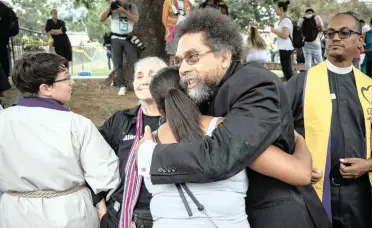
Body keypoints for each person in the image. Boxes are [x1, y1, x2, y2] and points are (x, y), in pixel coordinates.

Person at [136, 9, 330, 228]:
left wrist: (150, 156)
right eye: (179, 61)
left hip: (276, 215)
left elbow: (223, 154)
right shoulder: (206, 90)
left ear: (225, 57)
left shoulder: (254, 82)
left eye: (192, 57)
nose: (182, 69)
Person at [143, 66, 314, 227]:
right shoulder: (223, 130)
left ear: (158, 108)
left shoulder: (146, 144)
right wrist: (299, 140)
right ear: (195, 93)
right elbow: (302, 173)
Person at [0, 52, 120, 228]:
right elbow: (106, 176)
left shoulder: (3, 120)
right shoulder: (76, 124)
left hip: (14, 215)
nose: (71, 82)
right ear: (45, 88)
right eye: (66, 78)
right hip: (69, 215)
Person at [286, 12, 372, 228]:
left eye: (344, 32)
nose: (335, 37)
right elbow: (274, 127)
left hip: (358, 197)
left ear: (360, 40)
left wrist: (371, 163)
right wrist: (294, 164)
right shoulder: (301, 82)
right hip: (312, 191)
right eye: (330, 33)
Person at [98, 57, 167, 228]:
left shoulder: (180, 120)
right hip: (121, 217)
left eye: (153, 75)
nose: (145, 81)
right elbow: (92, 159)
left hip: (169, 216)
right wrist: (100, 207)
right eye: (139, 76)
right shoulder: (121, 120)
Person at [99, 0, 139, 96]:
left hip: (128, 38)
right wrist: (109, 8)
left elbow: (136, 19)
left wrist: (124, 12)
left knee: (134, 63)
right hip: (115, 38)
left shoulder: (131, 7)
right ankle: (122, 86)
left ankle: (137, 84)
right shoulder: (113, 7)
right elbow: (101, 19)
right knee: (117, 63)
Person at [162, 0, 192, 65]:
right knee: (173, 53)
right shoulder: (168, 1)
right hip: (174, 30)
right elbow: (164, 18)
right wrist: (170, 28)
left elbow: (190, 17)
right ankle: (172, 71)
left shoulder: (188, 3)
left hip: (185, 30)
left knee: (184, 52)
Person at [270, 1, 294, 81]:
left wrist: (274, 31)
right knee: (286, 68)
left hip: (286, 47)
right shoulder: (282, 20)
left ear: (280, 9)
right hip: (283, 47)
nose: (275, 10)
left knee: (287, 69)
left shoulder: (286, 20)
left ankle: (292, 85)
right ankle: (291, 84)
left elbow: (285, 35)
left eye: (276, 8)